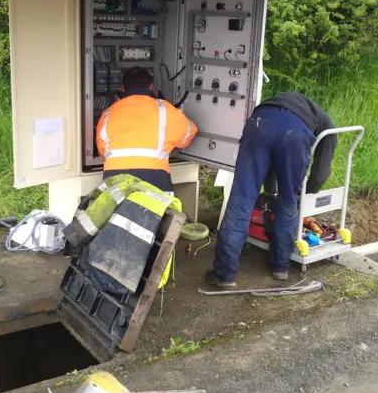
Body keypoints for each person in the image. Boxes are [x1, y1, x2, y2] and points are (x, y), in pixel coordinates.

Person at [206, 91, 337, 287]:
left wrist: (269, 191)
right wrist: (306, 193)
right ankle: (280, 268)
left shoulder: (285, 103)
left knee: (241, 199)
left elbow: (270, 166)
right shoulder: (327, 125)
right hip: (294, 132)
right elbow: (319, 174)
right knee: (288, 200)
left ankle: (224, 275)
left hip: (259, 121)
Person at [96, 66, 197, 193]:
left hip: (115, 179)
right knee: (153, 212)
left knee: (119, 213)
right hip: (154, 178)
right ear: (150, 86)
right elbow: (188, 134)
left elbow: (102, 151)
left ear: (122, 88)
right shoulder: (164, 109)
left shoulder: (108, 113)